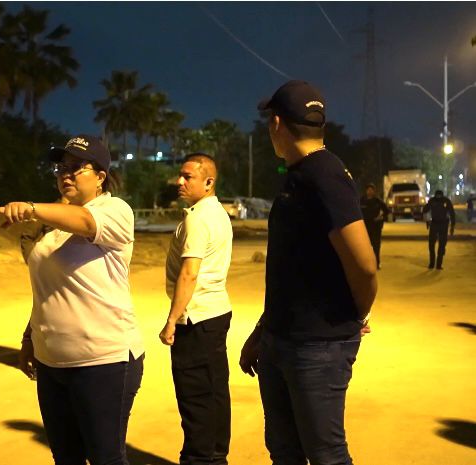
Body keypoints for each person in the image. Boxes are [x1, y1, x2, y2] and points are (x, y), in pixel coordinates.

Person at [239, 80, 378, 465]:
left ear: (277, 123)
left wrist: (357, 313)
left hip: (316, 348)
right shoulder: (300, 175)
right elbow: (294, 274)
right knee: (285, 451)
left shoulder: (325, 175)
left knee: (326, 455)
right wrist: (262, 332)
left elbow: (365, 266)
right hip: (282, 340)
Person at [0, 134, 145, 465]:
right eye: (62, 166)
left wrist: (32, 209)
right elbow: (47, 289)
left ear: (101, 176)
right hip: (52, 363)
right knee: (66, 457)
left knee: (106, 458)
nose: (66, 173)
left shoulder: (114, 210)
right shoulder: (53, 226)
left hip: (103, 362)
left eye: (78, 167)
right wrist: (30, 336)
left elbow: (86, 223)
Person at [159, 153, 233, 465]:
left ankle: (200, 459)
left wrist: (172, 319)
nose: (180, 181)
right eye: (181, 175)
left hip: (197, 317)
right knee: (215, 390)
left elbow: (190, 272)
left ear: (208, 182)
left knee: (195, 398)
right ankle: (216, 456)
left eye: (187, 176)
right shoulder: (218, 213)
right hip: (216, 313)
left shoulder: (197, 218)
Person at [422, 189, 455, 270]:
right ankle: (432, 263)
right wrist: (427, 222)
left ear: (442, 195)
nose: (438, 197)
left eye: (440, 195)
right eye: (437, 196)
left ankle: (439, 264)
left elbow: (452, 213)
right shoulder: (432, 201)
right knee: (431, 245)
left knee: (442, 245)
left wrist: (452, 227)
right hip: (434, 224)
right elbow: (425, 211)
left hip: (444, 224)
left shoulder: (446, 201)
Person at [359, 183, 389, 269]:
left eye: (371, 189)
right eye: (368, 189)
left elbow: (387, 211)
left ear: (374, 191)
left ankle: (377, 263)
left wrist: (381, 217)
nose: (370, 191)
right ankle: (365, 264)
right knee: (365, 247)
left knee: (376, 246)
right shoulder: (361, 200)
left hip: (376, 227)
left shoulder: (377, 201)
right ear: (366, 190)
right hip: (365, 227)